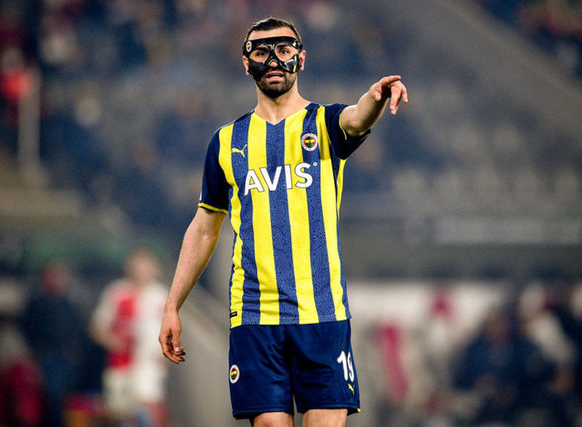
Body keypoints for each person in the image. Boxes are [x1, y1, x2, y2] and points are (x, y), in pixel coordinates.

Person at [158, 17, 408, 426]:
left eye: (284, 50)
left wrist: (376, 98)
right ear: (247, 64)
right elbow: (204, 227)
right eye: (261, 52)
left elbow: (358, 117)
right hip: (254, 314)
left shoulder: (325, 123)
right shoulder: (226, 141)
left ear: (300, 59)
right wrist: (173, 306)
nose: (273, 60)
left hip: (321, 311)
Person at [90, 247, 170, 426]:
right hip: (121, 364)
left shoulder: (161, 295)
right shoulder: (116, 292)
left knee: (148, 410)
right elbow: (97, 327)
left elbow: (171, 330)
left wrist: (167, 353)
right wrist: (112, 341)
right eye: (138, 266)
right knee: (120, 413)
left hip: (149, 365)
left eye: (146, 266)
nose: (141, 271)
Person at [19, 260, 87, 427]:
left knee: (68, 401)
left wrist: (75, 354)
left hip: (68, 360)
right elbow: (27, 332)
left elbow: (79, 332)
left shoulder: (69, 305)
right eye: (51, 276)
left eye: (58, 276)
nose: (55, 280)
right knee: (52, 400)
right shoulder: (36, 305)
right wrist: (35, 356)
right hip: (46, 359)